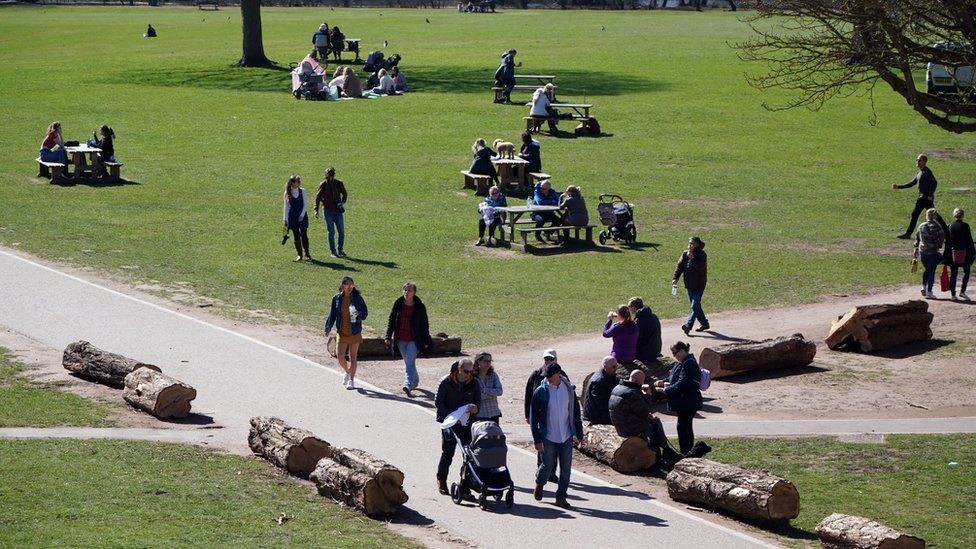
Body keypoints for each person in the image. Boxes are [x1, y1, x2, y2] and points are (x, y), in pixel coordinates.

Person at [530, 361, 583, 509]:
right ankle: (540, 483)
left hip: (566, 435)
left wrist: (579, 434)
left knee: (566, 468)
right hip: (548, 435)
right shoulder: (540, 391)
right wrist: (537, 439)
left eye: (549, 376)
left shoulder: (568, 389)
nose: (546, 378)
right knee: (547, 465)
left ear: (558, 374)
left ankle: (561, 497)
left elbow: (575, 413)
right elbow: (534, 417)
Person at [609, 370, 679, 468]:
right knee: (654, 424)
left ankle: (665, 450)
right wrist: (647, 395)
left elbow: (634, 409)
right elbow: (645, 410)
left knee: (653, 422)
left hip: (620, 424)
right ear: (638, 381)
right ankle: (662, 453)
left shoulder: (618, 388)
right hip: (629, 428)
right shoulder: (633, 392)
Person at [435, 358, 481, 497]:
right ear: (459, 369)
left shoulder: (474, 383)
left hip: (467, 423)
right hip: (450, 423)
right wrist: (450, 419)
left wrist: (475, 409)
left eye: (471, 371)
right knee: (448, 453)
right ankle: (441, 479)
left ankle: (465, 485)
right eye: (466, 371)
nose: (469, 374)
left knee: (468, 455)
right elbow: (439, 402)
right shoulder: (446, 381)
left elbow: (478, 403)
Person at [654, 341, 703, 455]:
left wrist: (666, 390)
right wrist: (664, 382)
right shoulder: (682, 362)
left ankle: (686, 452)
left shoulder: (688, 363)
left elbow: (683, 382)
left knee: (684, 427)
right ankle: (686, 452)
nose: (673, 356)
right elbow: (674, 376)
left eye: (674, 353)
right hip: (684, 401)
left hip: (688, 401)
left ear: (682, 351)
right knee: (683, 427)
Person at [385, 281, 433, 395]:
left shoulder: (420, 307)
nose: (406, 292)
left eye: (409, 290)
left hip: (414, 339)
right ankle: (415, 381)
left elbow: (424, 325)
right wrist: (388, 336)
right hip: (400, 338)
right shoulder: (398, 304)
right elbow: (391, 320)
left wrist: (426, 340)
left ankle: (408, 384)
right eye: (405, 290)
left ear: (414, 293)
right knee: (408, 362)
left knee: (410, 361)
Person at [324, 276, 367, 389]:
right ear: (343, 285)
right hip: (342, 331)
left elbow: (365, 313)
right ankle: (348, 372)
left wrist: (359, 314)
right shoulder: (337, 299)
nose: (350, 287)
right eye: (348, 284)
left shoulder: (358, 298)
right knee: (340, 357)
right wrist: (328, 327)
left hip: (355, 331)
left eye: (352, 285)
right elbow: (332, 314)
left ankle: (351, 380)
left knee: (353, 357)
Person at [893, 154, 938, 239]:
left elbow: (934, 183)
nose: (917, 161)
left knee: (930, 215)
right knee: (928, 215)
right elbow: (911, 183)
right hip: (923, 198)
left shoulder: (927, 172)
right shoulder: (920, 172)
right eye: (917, 160)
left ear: (924, 162)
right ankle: (908, 234)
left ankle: (908, 234)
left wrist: (929, 195)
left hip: (925, 198)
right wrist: (898, 186)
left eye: (919, 160)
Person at [673, 236, 709, 335]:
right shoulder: (685, 254)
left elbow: (701, 267)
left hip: (699, 285)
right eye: (689, 243)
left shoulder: (702, 255)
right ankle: (705, 323)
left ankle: (688, 325)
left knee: (694, 305)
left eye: (692, 243)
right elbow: (679, 267)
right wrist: (675, 278)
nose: (690, 245)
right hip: (689, 284)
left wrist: (692, 258)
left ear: (697, 244)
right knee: (696, 306)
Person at [313, 167, 347, 258]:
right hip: (327, 211)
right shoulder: (323, 185)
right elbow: (317, 197)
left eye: (330, 177)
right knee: (331, 231)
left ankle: (340, 250)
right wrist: (316, 210)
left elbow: (345, 194)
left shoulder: (339, 183)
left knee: (341, 231)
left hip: (338, 211)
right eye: (327, 177)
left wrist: (342, 203)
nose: (328, 179)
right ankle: (333, 251)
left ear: (333, 176)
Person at [914, 208, 946, 299]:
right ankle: (929, 292)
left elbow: (917, 238)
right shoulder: (937, 226)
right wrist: (939, 245)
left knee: (927, 269)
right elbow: (942, 236)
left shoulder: (921, 226)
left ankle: (923, 286)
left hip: (922, 251)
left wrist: (916, 247)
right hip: (932, 252)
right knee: (931, 271)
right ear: (935, 216)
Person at [947, 208, 975, 300]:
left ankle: (953, 295)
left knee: (953, 274)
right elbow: (969, 240)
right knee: (966, 272)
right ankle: (962, 291)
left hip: (954, 253)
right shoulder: (966, 226)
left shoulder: (951, 226)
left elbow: (949, 241)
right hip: (965, 253)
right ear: (962, 216)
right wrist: (973, 252)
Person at [583, 356, 618, 425]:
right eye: (614, 367)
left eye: (617, 366)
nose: (616, 369)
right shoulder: (598, 382)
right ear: (605, 367)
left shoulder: (609, 375)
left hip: (601, 413)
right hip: (596, 416)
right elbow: (602, 404)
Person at [282, 175, 311, 261]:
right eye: (295, 182)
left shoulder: (302, 191)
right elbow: (286, 207)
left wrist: (302, 215)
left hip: (302, 216)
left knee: (304, 234)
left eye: (298, 182)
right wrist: (285, 219)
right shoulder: (287, 193)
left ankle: (307, 253)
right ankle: (299, 255)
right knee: (296, 235)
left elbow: (305, 204)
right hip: (293, 216)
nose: (297, 183)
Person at [629, 297, 662, 363]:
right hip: (656, 349)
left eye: (629, 306)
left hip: (646, 353)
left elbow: (637, 338)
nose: (628, 308)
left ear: (634, 307)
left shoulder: (640, 320)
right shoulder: (653, 316)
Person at [473, 352, 503, 423]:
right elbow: (476, 396)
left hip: (494, 413)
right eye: (485, 361)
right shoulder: (472, 377)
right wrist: (492, 393)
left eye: (489, 361)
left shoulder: (493, 375)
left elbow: (499, 391)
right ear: (478, 361)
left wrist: (484, 391)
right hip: (479, 414)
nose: (488, 363)